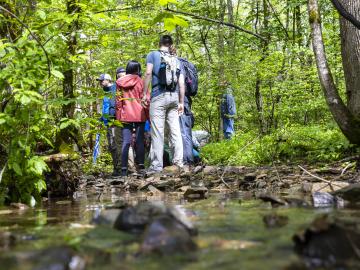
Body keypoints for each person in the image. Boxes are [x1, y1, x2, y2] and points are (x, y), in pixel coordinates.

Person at [141, 35, 185, 174]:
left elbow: (148, 73)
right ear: (171, 44)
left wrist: (144, 93)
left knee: (157, 132)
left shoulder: (153, 54)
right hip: (174, 97)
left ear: (159, 43)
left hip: (158, 96)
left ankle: (157, 166)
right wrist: (181, 102)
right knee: (175, 131)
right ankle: (179, 163)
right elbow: (181, 83)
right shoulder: (177, 60)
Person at [116, 61, 149, 176]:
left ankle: (124, 169)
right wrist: (148, 115)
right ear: (138, 69)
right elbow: (146, 99)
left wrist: (118, 116)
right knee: (139, 141)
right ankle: (141, 167)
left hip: (125, 114)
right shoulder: (142, 81)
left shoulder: (120, 82)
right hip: (139, 114)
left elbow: (118, 101)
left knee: (126, 142)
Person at [96, 73, 122, 176]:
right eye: (99, 81)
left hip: (114, 122)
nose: (100, 83)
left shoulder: (115, 88)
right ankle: (116, 168)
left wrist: (113, 118)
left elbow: (115, 106)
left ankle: (120, 168)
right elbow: (106, 108)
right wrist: (102, 119)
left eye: (102, 81)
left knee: (115, 145)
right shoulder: (106, 92)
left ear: (108, 80)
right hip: (108, 123)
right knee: (112, 146)